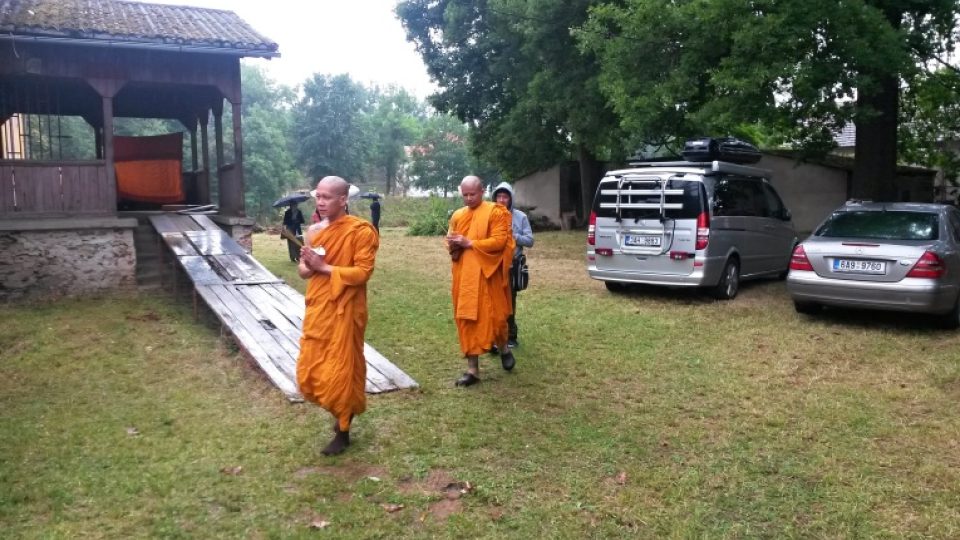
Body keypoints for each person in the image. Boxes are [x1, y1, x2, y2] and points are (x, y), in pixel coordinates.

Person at [297, 176, 379, 455]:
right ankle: (336, 414)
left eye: (327, 197)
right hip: (319, 307)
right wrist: (310, 265)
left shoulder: (361, 231)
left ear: (343, 200)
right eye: (318, 196)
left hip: (346, 307)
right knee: (314, 364)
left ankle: (343, 429)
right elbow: (303, 272)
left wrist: (324, 267)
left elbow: (362, 273)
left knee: (342, 366)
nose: (320, 202)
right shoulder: (314, 231)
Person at [445, 175, 516, 387]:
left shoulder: (496, 212)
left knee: (496, 318)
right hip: (465, 276)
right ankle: (473, 370)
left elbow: (499, 241)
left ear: (482, 191)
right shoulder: (458, 215)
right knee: (466, 319)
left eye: (472, 194)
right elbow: (451, 240)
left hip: (488, 274)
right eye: (464, 194)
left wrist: (469, 243)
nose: (468, 198)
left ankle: (503, 348)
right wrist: (453, 244)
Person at [492, 182, 534, 348]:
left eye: (505, 197)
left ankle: (511, 336)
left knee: (509, 302)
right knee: (494, 302)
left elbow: (530, 241)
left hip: (511, 266)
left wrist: (513, 234)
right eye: (499, 196)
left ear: (511, 199)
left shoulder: (520, 217)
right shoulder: (489, 214)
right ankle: (495, 336)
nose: (502, 200)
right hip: (494, 266)